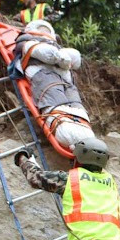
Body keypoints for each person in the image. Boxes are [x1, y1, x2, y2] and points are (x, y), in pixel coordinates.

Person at [14, 20, 107, 156]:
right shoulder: (27, 43)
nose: (45, 32)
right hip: (43, 76)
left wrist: (63, 56)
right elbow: (45, 53)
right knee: (55, 101)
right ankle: (66, 130)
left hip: (65, 81)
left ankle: (85, 133)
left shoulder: (56, 47)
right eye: (42, 29)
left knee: (76, 106)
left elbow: (75, 59)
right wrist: (60, 57)